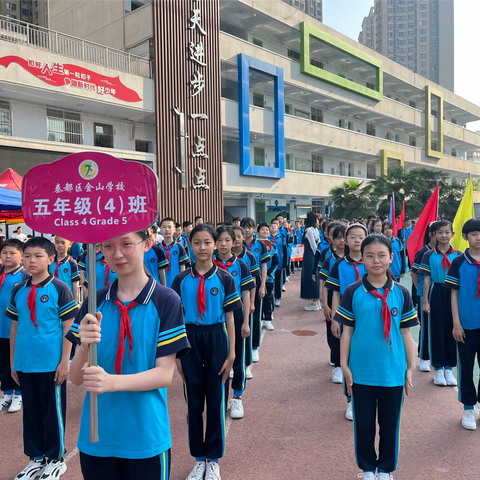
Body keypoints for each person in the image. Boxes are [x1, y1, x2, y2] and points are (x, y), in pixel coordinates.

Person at [67, 229, 190, 480]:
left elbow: (164, 375)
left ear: (146, 244)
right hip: (98, 436)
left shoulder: (166, 300)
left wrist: (111, 382)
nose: (118, 254)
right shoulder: (94, 302)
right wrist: (84, 348)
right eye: (109, 246)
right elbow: (76, 378)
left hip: (145, 437)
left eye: (126, 244)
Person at [336, 234, 417, 480]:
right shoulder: (353, 292)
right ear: (362, 258)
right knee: (364, 423)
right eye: (369, 255)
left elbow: (406, 333)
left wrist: (411, 368)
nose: (376, 260)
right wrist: (344, 365)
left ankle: (386, 469)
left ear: (392, 258)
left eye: (382, 255)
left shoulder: (402, 293)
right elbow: (347, 331)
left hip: (392, 370)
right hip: (361, 370)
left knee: (390, 424)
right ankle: (368, 468)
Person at [172, 224, 242, 480]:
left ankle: (213, 459)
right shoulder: (180, 280)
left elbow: (230, 317)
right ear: (190, 245)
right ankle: (198, 458)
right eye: (197, 243)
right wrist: (177, 355)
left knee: (216, 398)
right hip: (189, 338)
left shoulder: (225, 278)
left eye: (207, 242)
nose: (202, 248)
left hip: (216, 337)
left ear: (216, 245)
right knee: (193, 401)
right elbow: (175, 319)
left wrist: (232, 352)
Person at [8, 237, 79, 479]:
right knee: (31, 412)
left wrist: (64, 362)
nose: (31, 260)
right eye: (27, 256)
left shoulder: (59, 287)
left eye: (37, 256)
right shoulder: (19, 289)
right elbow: (15, 329)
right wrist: (13, 363)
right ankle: (36, 457)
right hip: (25, 363)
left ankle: (56, 458)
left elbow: (70, 327)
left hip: (50, 363)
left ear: (50, 259)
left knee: (52, 412)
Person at [326, 223, 367, 421]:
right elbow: (335, 293)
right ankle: (350, 400)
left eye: (361, 236)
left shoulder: (372, 261)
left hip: (369, 315)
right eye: (353, 237)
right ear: (345, 240)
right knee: (348, 358)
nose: (357, 240)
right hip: (348, 316)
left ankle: (367, 397)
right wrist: (336, 318)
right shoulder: (339, 264)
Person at [213, 226, 255, 419]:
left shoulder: (241, 265)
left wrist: (246, 320)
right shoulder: (208, 264)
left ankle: (237, 396)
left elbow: (245, 295)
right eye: (219, 240)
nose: (223, 244)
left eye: (227, 240)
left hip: (236, 315)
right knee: (218, 358)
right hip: (215, 317)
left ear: (234, 242)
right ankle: (221, 397)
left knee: (237, 356)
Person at [446, 218, 480, 430]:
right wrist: (456, 323)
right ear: (465, 236)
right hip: (466, 325)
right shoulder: (459, 262)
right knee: (466, 367)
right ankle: (468, 407)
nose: (479, 238)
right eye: (474, 234)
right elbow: (453, 294)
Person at [420, 221, 461, 387]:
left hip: (454, 294)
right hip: (436, 292)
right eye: (440, 232)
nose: (444, 235)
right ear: (434, 235)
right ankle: (438, 368)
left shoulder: (458, 255)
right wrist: (425, 300)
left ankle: (449, 368)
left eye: (447, 232)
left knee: (453, 329)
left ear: (453, 234)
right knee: (436, 330)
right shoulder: (428, 255)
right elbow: (426, 279)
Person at [0, 239, 30, 413]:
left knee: (16, 361)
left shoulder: (24, 275)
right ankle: (7, 393)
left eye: (12, 253)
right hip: (1, 327)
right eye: (4, 253)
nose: (8, 256)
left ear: (21, 256)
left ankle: (19, 393)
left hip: (16, 328)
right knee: (3, 362)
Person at [240, 217, 270, 363]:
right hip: (239, 283)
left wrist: (262, 285)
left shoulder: (260, 245)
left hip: (255, 281)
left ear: (254, 228)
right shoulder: (237, 245)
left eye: (249, 227)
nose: (246, 230)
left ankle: (254, 347)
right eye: (244, 227)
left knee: (255, 314)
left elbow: (264, 266)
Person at [319, 225, 346, 383]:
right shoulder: (330, 260)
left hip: (350, 300)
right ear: (332, 240)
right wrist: (324, 303)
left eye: (344, 237)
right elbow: (323, 281)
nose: (342, 240)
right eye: (338, 237)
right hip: (333, 296)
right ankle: (337, 364)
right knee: (334, 331)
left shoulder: (356, 258)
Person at [232, 225, 258, 379]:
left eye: (238, 236)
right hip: (223, 307)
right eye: (232, 237)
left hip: (241, 303)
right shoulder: (216, 258)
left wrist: (252, 302)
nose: (235, 240)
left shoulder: (247, 258)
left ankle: (246, 364)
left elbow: (251, 282)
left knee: (243, 335)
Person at [411, 224, 436, 373]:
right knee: (426, 326)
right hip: (424, 294)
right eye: (439, 232)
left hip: (440, 293)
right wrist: (419, 289)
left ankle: (436, 357)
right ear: (432, 234)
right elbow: (414, 273)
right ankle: (424, 357)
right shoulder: (423, 252)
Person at [258, 222, 279, 332]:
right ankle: (260, 319)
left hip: (269, 278)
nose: (265, 231)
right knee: (257, 298)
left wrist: (269, 274)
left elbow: (275, 262)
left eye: (267, 230)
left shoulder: (273, 245)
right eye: (262, 230)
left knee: (268, 298)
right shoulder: (254, 245)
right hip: (256, 277)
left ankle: (267, 319)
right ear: (258, 232)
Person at [159, 218, 189, 288]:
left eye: (169, 227)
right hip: (160, 286)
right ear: (160, 229)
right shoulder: (157, 248)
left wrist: (181, 282)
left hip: (175, 284)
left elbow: (182, 267)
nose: (167, 229)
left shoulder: (179, 247)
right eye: (164, 227)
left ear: (174, 229)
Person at [49, 236, 80, 303]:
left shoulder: (72, 263)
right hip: (51, 296)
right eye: (57, 242)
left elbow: (74, 283)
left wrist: (76, 302)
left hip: (67, 298)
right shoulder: (50, 261)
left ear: (69, 244)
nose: (60, 245)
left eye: (63, 243)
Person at [301, 211, 321, 311]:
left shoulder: (309, 230)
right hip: (315, 256)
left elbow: (313, 246)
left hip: (310, 256)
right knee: (315, 277)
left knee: (311, 277)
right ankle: (316, 301)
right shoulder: (315, 230)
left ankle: (315, 302)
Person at [269, 219, 284, 308]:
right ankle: (271, 297)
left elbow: (284, 251)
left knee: (278, 281)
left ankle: (277, 297)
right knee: (271, 281)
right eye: (272, 226)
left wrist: (284, 263)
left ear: (278, 229)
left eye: (275, 226)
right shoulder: (267, 239)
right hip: (270, 264)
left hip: (279, 263)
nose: (273, 227)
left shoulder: (281, 238)